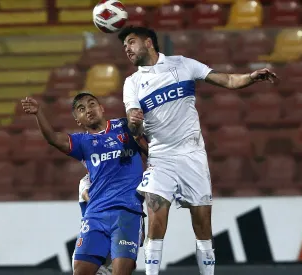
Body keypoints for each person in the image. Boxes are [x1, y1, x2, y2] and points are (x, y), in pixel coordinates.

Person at [117, 26, 278, 275]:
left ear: (148, 42)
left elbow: (226, 79)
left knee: (202, 227)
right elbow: (134, 127)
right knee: (156, 222)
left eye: (131, 41)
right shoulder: (132, 83)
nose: (126, 48)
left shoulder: (183, 64)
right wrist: (134, 123)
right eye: (124, 45)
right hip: (161, 159)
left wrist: (250, 77)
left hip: (192, 156)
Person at [21, 92, 146, 275]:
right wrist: (39, 113)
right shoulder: (82, 142)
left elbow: (147, 139)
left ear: (102, 108)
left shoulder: (125, 126)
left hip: (127, 211)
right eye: (81, 109)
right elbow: (54, 139)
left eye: (92, 104)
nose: (88, 110)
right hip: (96, 214)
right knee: (80, 271)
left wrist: (138, 123)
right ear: (78, 120)